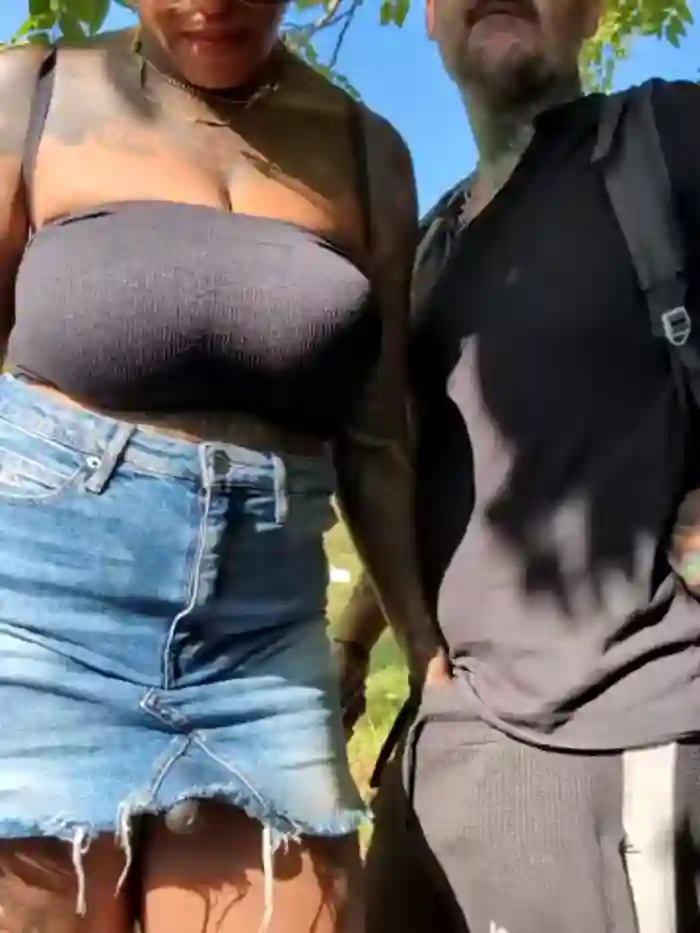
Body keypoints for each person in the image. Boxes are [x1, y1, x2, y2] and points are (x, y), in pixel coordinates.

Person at [0, 3, 437, 932]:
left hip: (264, 651)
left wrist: (426, 646)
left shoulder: (368, 153)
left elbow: (377, 440)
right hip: (40, 628)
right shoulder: (29, 93)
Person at [336, 0, 700, 930]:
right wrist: (355, 640)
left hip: (616, 745)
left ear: (595, 12)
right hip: (434, 748)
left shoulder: (667, 137)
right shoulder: (434, 240)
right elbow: (433, 474)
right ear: (428, 18)